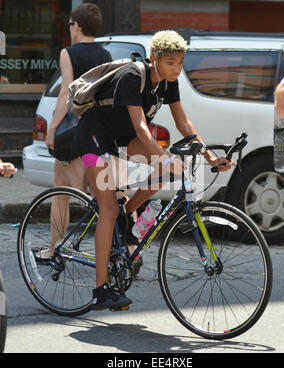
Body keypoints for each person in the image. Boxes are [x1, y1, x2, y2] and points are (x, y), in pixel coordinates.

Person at [74, 30, 234, 311]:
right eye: (171, 62)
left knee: (170, 170)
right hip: (93, 136)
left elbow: (184, 124)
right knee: (108, 208)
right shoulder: (133, 77)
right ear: (154, 59)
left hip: (121, 138)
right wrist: (162, 156)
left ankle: (126, 221)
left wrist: (210, 156)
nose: (177, 68)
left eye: (181, 62)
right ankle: (100, 290)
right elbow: (140, 127)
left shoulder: (169, 82)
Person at [37, 3, 112, 259]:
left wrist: (53, 128)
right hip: (99, 133)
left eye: (70, 24)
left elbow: (65, 93)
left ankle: (55, 248)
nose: (69, 28)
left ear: (77, 26)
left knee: (61, 193)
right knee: (105, 196)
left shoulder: (68, 53)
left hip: (74, 134)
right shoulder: (106, 56)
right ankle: (123, 247)